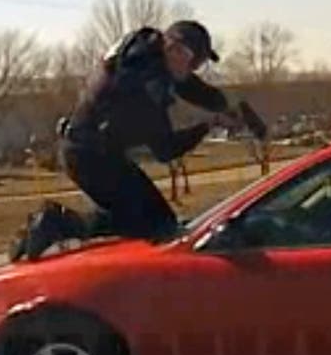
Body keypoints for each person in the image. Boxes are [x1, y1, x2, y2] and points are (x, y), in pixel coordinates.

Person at [15, 20, 241, 259]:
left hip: (93, 150)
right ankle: (56, 223)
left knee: (153, 219)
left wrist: (224, 103)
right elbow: (166, 150)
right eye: (195, 62)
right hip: (90, 157)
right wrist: (209, 125)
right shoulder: (144, 86)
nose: (195, 69)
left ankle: (56, 224)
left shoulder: (145, 53)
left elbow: (187, 86)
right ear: (175, 50)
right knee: (156, 224)